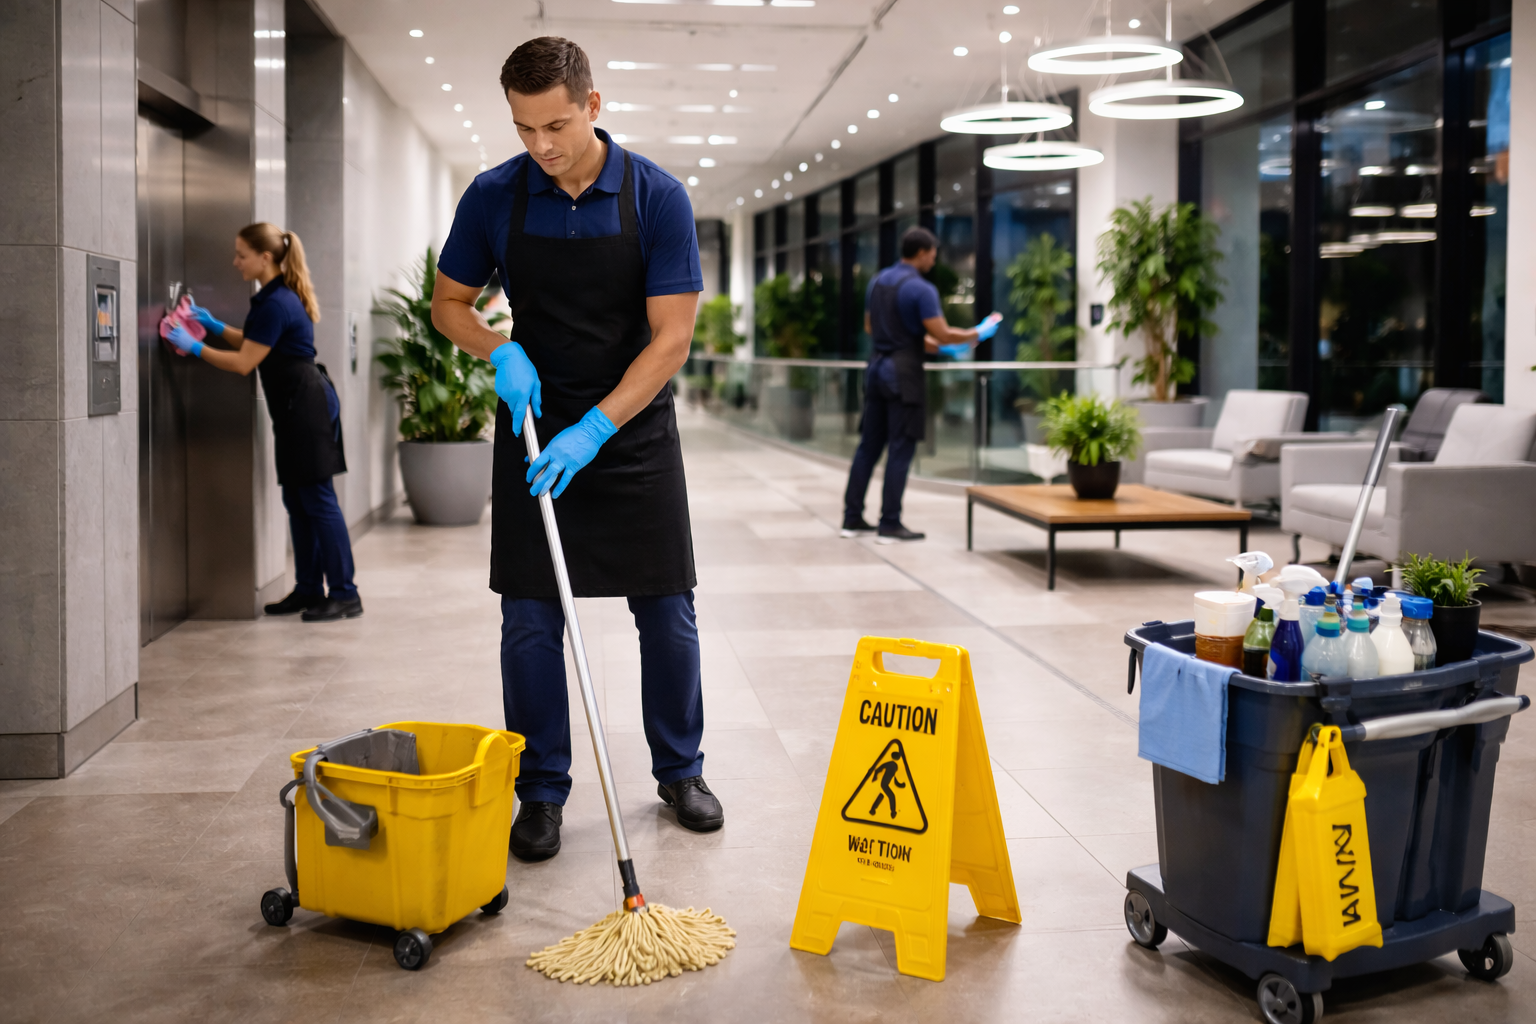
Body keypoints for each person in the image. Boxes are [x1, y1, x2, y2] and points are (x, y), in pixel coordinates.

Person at [430, 36, 721, 863]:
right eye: (525, 130)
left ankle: (681, 770)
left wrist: (597, 426)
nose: (542, 146)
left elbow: (671, 340)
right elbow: (449, 304)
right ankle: (542, 792)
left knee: (666, 607)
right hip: (533, 425)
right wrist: (499, 350)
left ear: (593, 106)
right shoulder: (495, 196)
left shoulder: (655, 197)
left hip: (629, 430)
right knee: (528, 616)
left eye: (555, 124)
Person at [163, 224, 361, 622]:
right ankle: (308, 589)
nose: (235, 262)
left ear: (265, 258)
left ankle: (344, 594)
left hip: (304, 408)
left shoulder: (276, 302)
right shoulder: (273, 299)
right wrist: (215, 326)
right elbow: (258, 343)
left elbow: (244, 363)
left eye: (241, 254)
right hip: (294, 406)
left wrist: (194, 345)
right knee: (298, 500)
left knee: (318, 501)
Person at [841, 228, 1000, 543]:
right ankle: (889, 523)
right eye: (933, 254)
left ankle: (852, 518)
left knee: (868, 447)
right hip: (903, 376)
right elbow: (942, 333)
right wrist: (978, 333)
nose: (934, 259)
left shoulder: (878, 281)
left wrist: (929, 346)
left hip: (875, 370)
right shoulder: (920, 288)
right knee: (901, 448)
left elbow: (871, 327)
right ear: (923, 252)